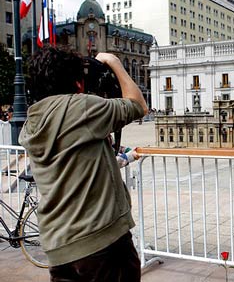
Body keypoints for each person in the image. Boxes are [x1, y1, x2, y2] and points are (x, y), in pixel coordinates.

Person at [19, 47, 148, 281]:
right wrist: (114, 62)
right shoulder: (82, 108)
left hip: (59, 247)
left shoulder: (34, 119)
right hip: (100, 242)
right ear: (78, 83)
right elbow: (138, 105)